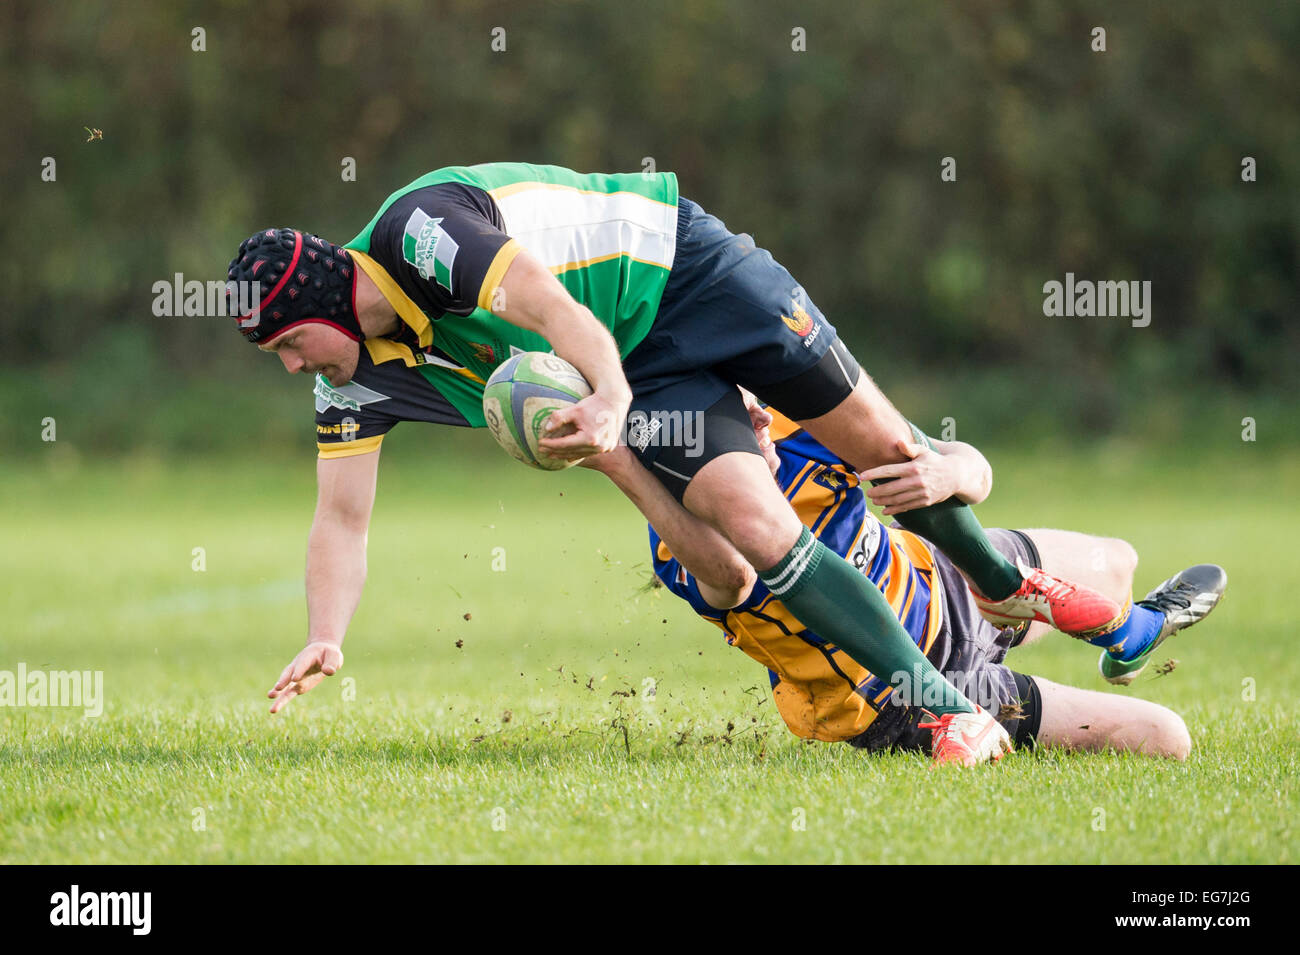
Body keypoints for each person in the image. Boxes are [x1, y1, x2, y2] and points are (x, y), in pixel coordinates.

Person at [228, 163, 1130, 754]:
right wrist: (326, 633)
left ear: (320, 298)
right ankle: (946, 708)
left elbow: (551, 312)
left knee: (891, 454)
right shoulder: (353, 383)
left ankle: (997, 576)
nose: (295, 366)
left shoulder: (418, 232)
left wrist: (607, 396)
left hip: (685, 270)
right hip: (642, 372)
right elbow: (339, 519)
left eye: (287, 345)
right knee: (752, 521)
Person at [594, 398, 1226, 763]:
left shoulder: (796, 426)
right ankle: (1078, 654)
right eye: (729, 430)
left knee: (1118, 560)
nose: (757, 424)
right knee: (1166, 739)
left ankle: (1131, 637)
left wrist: (950, 478)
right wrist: (613, 461)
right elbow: (729, 579)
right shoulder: (681, 540)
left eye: (749, 407)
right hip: (897, 695)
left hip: (946, 584)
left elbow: (971, 467)